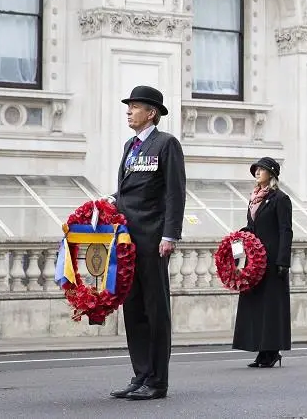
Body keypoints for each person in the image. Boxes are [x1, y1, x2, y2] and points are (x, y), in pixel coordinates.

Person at [107, 85, 186, 401]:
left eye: (135, 106)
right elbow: (129, 191)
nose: (128, 110)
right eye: (128, 106)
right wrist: (109, 201)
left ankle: (157, 380)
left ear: (151, 113)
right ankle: (140, 374)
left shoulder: (166, 144)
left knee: (155, 310)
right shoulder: (130, 145)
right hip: (128, 240)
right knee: (134, 308)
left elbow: (174, 192)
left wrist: (170, 235)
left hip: (153, 239)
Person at [232, 156, 293, 368]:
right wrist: (241, 237)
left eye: (262, 169)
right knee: (257, 305)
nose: (258, 172)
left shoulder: (280, 199)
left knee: (271, 307)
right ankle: (261, 350)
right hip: (255, 260)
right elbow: (253, 226)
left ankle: (271, 351)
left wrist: (283, 260)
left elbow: (286, 230)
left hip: (273, 259)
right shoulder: (254, 198)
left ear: (272, 174)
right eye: (256, 169)